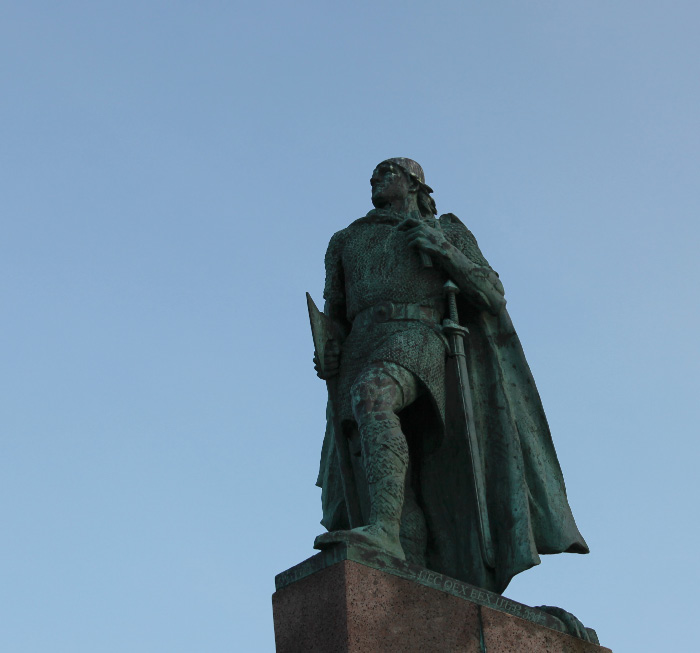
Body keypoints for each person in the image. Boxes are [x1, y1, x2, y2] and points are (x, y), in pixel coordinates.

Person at [313, 158, 588, 594]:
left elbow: (491, 293)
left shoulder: (446, 229)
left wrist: (443, 249)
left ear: (415, 184)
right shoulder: (346, 240)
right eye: (373, 175)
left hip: (417, 334)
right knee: (386, 466)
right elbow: (336, 314)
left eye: (387, 172)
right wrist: (330, 350)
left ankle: (381, 529)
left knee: (373, 397)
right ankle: (407, 560)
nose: (375, 180)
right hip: (362, 345)